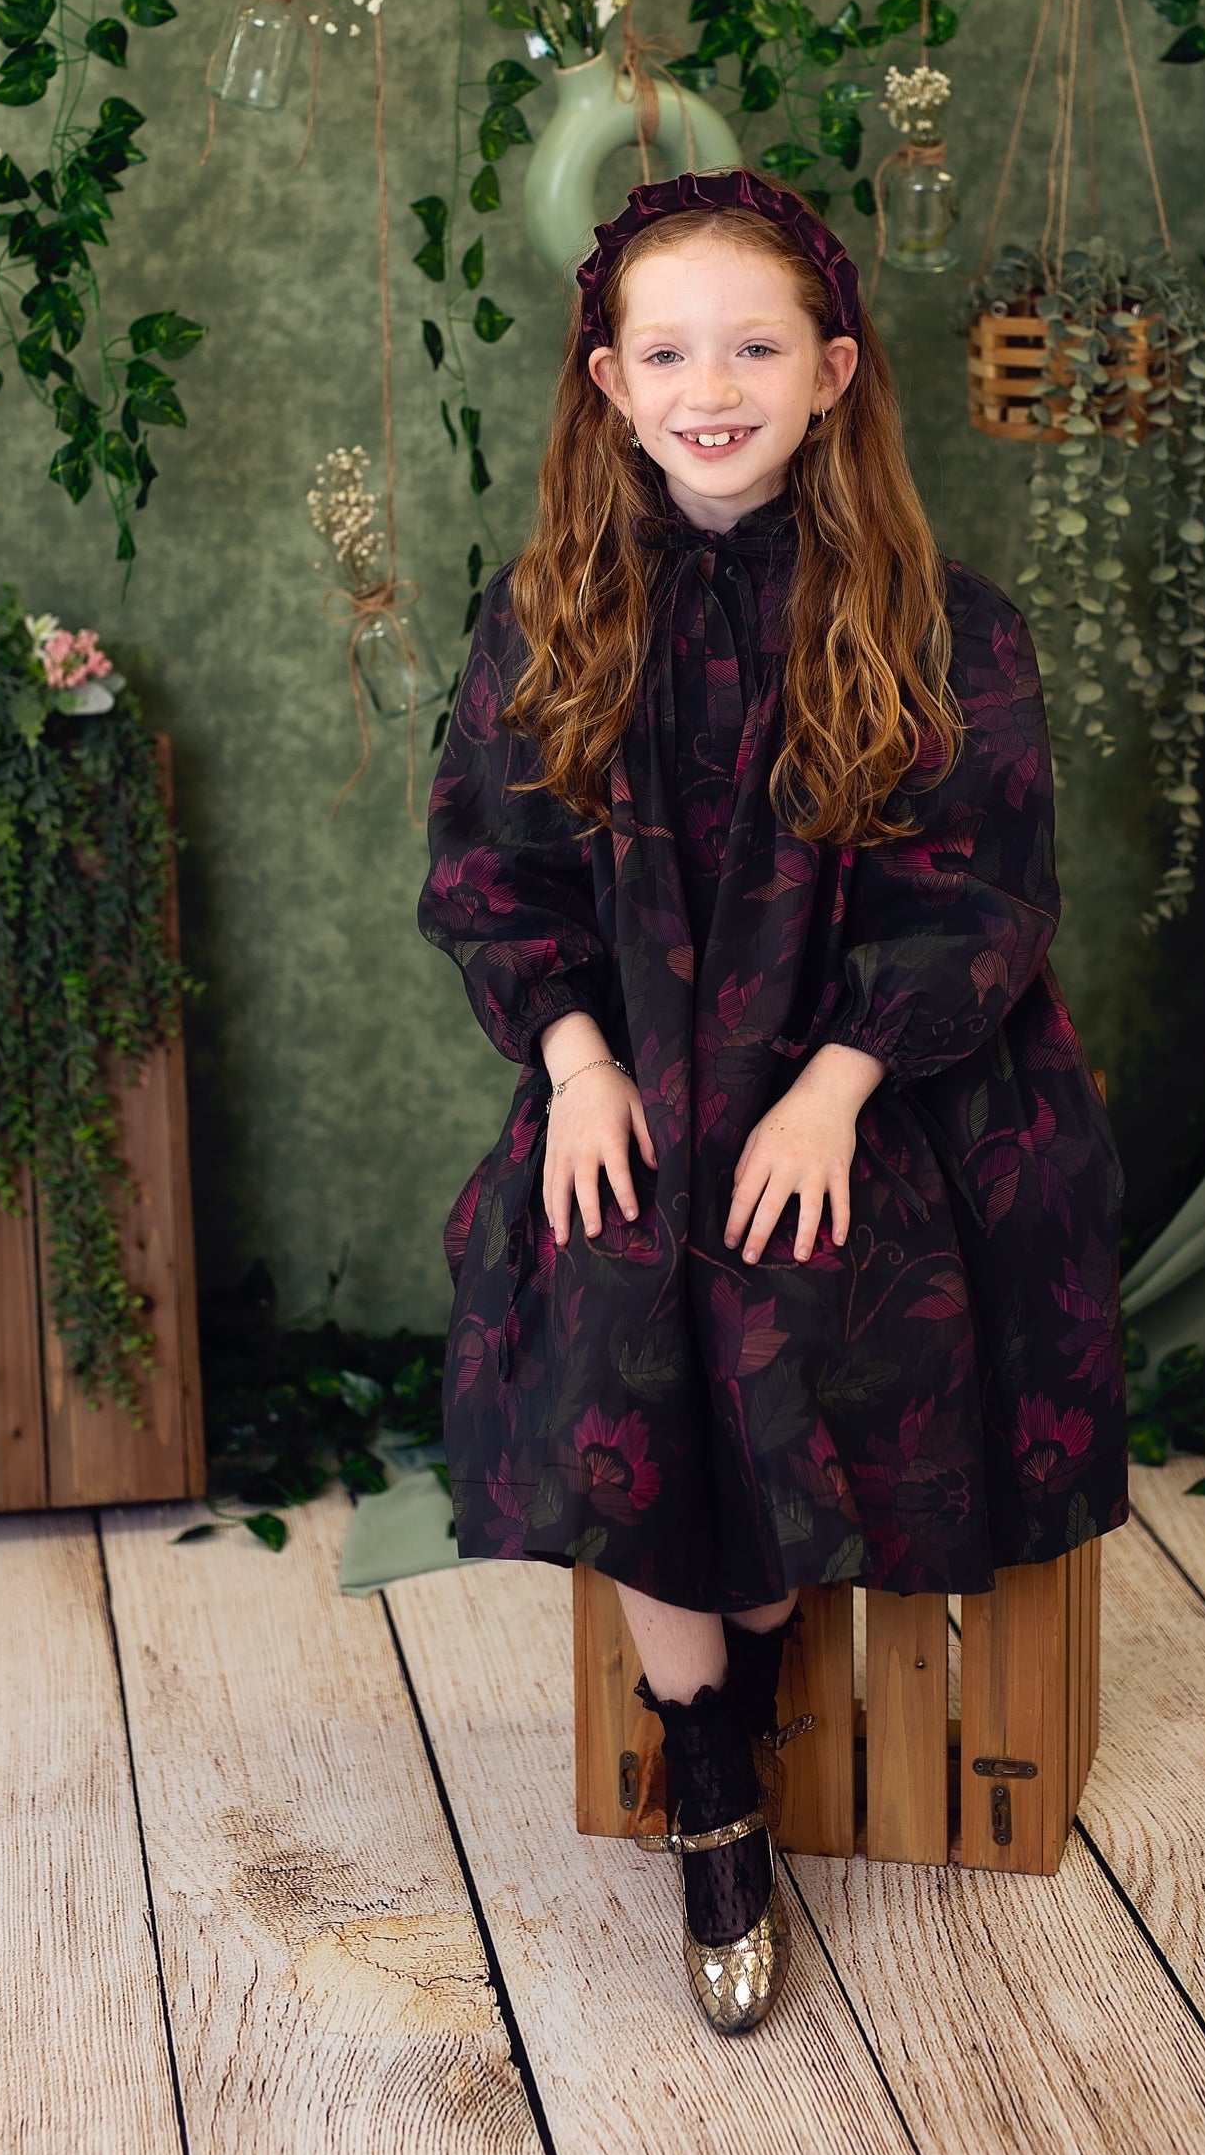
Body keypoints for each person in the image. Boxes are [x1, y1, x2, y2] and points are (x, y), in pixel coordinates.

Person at [419, 168, 1126, 2036]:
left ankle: (726, 1697)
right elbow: (493, 876)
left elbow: (977, 897)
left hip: (884, 1077)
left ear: (831, 370)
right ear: (607, 382)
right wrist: (575, 1065)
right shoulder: (544, 618)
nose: (708, 387)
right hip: (635, 1072)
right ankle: (713, 1772)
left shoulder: (942, 624)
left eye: (751, 347)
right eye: (665, 354)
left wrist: (831, 1092)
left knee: (786, 1301)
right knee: (612, 1296)